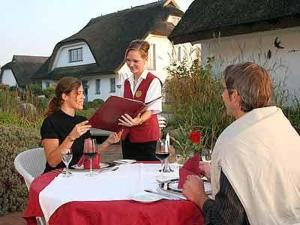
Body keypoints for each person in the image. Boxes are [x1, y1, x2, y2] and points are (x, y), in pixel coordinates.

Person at [183, 62, 300, 225]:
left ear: (235, 96)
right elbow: (266, 175)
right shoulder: (284, 129)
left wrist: (200, 197)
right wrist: (218, 176)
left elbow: (225, 221)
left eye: (224, 90)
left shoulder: (233, 143)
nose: (222, 95)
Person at [41, 76, 121, 173]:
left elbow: (89, 154)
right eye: (78, 93)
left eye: (83, 93)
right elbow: (52, 162)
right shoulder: (50, 122)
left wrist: (108, 142)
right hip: (57, 176)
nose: (83, 97)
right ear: (65, 96)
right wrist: (71, 137)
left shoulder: (82, 121)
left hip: (78, 174)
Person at [118, 40, 162, 161]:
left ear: (145, 60)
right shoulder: (125, 82)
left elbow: (151, 110)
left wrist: (138, 120)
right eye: (128, 60)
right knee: (129, 172)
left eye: (135, 61)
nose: (131, 64)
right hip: (127, 137)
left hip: (147, 138)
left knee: (149, 173)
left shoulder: (153, 81)